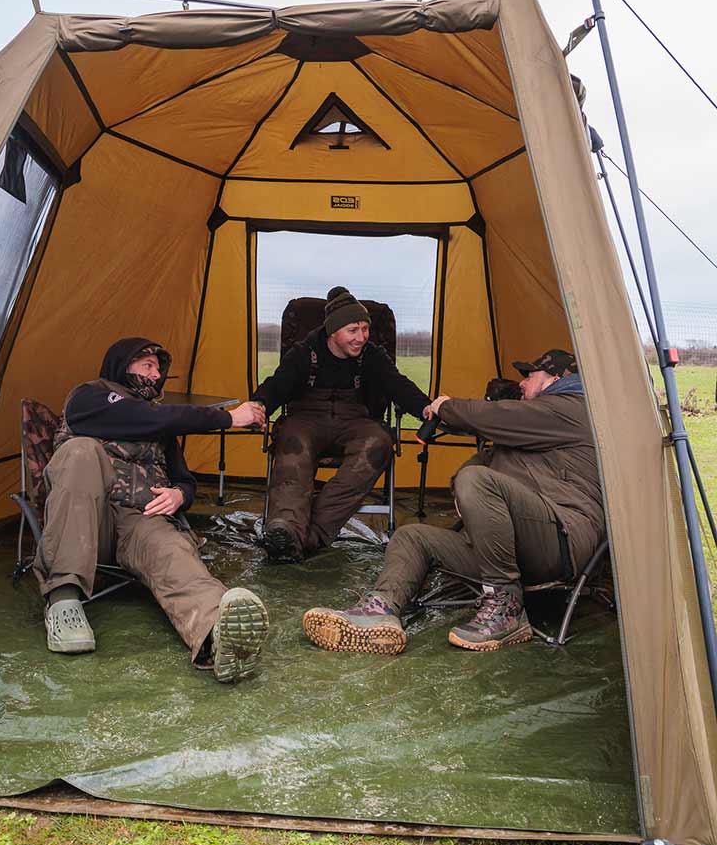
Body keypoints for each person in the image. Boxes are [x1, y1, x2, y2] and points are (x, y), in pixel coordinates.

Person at [302, 348, 605, 653]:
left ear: (554, 379)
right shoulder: (527, 428)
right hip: (508, 549)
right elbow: (474, 468)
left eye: (530, 375)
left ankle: (506, 608)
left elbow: (497, 419)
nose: (522, 383)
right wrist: (468, 484)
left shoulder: (574, 408)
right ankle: (380, 611)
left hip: (559, 538)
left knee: (476, 480)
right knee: (412, 536)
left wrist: (447, 407)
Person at [36, 336, 269, 683]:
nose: (156, 374)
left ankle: (217, 635)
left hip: (141, 519)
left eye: (159, 369)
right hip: (88, 519)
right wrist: (227, 417)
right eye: (148, 365)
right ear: (122, 365)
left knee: (172, 550)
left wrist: (179, 495)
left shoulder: (161, 426)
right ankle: (63, 599)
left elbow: (185, 480)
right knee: (81, 451)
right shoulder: (88, 398)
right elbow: (140, 416)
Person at [252, 287, 433, 562]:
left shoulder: (371, 355)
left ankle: (305, 537)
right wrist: (259, 405)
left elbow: (398, 384)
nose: (361, 337)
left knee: (378, 446)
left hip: (355, 421)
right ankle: (286, 526)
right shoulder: (305, 352)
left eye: (365, 329)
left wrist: (425, 407)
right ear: (333, 332)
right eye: (353, 330)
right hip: (306, 420)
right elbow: (277, 384)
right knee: (292, 447)